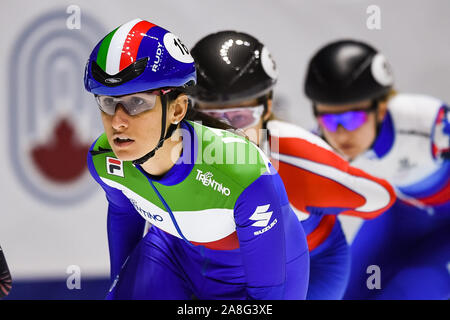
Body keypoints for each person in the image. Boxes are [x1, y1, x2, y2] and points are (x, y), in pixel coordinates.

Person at [84, 19, 310, 300]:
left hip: (264, 278)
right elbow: (123, 212)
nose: (118, 121)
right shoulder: (103, 160)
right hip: (176, 257)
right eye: (107, 102)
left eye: (137, 102)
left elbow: (267, 296)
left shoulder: (242, 171)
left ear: (178, 109)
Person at [191, 31, 396, 300]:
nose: (225, 132)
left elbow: (380, 197)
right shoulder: (181, 143)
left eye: (239, 117)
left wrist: (316, 199)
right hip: (224, 265)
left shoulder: (297, 159)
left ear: (266, 108)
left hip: (309, 267)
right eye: (209, 118)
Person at [304, 39, 450, 299]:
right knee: (347, 293)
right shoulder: (321, 144)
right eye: (328, 119)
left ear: (381, 109)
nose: (340, 134)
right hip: (400, 217)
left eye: (352, 119)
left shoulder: (428, 125)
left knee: (419, 285)